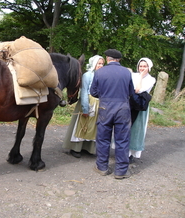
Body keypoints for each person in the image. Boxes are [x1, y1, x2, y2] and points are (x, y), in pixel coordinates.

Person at [90, 49, 135, 179]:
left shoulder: (99, 72)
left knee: (103, 139)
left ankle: (102, 167)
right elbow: (131, 92)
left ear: (108, 58)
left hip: (105, 107)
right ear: (119, 59)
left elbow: (93, 92)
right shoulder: (126, 72)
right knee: (122, 139)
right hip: (123, 108)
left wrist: (104, 96)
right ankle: (121, 171)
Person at [62, 55, 104, 158]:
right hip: (87, 102)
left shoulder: (103, 75)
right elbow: (84, 92)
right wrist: (85, 108)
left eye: (102, 63)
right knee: (82, 125)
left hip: (98, 103)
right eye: (99, 63)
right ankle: (76, 148)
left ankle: (88, 148)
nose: (101, 66)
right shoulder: (88, 75)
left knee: (92, 126)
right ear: (94, 64)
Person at [129, 58, 156, 163]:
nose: (142, 68)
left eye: (145, 66)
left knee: (137, 129)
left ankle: (131, 153)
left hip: (140, 106)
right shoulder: (133, 75)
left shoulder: (151, 79)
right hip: (130, 104)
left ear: (149, 67)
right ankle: (123, 151)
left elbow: (138, 89)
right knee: (126, 127)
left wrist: (140, 76)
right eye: (141, 66)